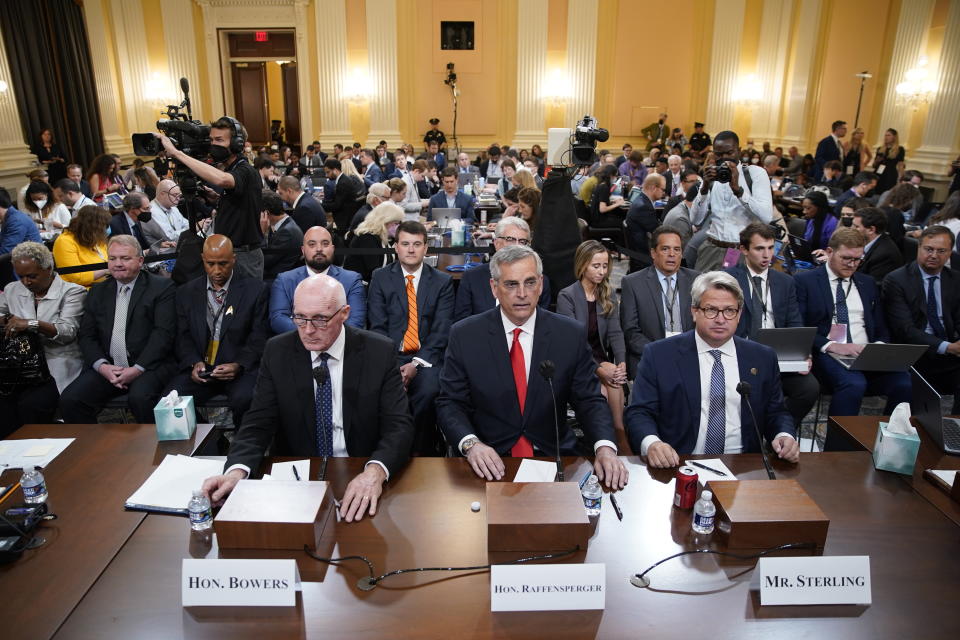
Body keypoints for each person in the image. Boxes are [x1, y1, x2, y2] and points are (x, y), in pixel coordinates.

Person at [201, 274, 415, 522]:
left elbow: (399, 426)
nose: (309, 330)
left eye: (320, 319)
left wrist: (375, 472)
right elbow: (257, 424)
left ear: (344, 313)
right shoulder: (277, 351)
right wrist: (236, 471)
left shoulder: (379, 351)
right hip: (298, 477)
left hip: (362, 471)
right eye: (300, 318)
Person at [437, 245, 628, 488]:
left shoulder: (568, 334)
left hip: (553, 456)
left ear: (540, 285)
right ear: (494, 288)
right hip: (488, 459)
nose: (522, 293)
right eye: (511, 284)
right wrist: (471, 444)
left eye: (529, 283)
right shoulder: (465, 335)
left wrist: (605, 448)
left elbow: (589, 400)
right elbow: (450, 403)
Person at [624, 271, 799, 466]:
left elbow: (776, 412)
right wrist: (652, 444)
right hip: (679, 462)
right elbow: (639, 413)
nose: (721, 319)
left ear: (739, 314)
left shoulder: (762, 357)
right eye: (711, 310)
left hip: (744, 465)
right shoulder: (659, 355)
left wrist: (784, 435)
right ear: (694, 311)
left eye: (729, 311)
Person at [59, 235, 177, 424]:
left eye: (125, 258)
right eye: (112, 258)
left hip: (148, 366)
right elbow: (87, 336)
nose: (118, 264)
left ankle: (155, 451)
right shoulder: (98, 291)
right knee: (71, 399)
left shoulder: (162, 288)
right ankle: (94, 451)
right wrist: (102, 366)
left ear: (140, 261)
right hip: (109, 368)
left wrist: (137, 369)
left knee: (140, 399)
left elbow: (163, 334)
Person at [795, 227, 911, 417]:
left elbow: (881, 327)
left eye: (857, 259)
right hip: (828, 352)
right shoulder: (805, 281)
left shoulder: (867, 283)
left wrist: (880, 348)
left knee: (904, 382)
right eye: (846, 258)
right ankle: (840, 445)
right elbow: (798, 326)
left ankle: (890, 437)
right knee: (854, 384)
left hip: (866, 351)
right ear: (830, 252)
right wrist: (831, 346)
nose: (852, 265)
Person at [368, 221, 454, 455]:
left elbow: (441, 331)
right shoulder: (380, 277)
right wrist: (392, 365)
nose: (411, 249)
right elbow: (377, 327)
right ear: (396, 247)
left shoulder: (442, 281)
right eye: (405, 244)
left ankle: (419, 452)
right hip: (389, 357)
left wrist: (416, 363)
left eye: (417, 244)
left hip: (427, 358)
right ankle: (392, 449)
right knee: (383, 392)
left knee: (427, 392)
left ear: (426, 248)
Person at [165, 235, 268, 426]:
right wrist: (193, 362)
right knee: (171, 402)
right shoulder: (186, 292)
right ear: (202, 259)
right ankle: (211, 442)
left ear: (233, 260)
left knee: (247, 399)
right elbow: (182, 336)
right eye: (210, 264)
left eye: (223, 264)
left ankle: (241, 449)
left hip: (240, 369)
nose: (217, 270)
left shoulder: (256, 290)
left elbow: (259, 336)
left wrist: (238, 364)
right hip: (202, 368)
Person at [724, 223, 819, 428]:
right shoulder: (728, 280)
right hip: (741, 353)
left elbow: (794, 321)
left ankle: (779, 431)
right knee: (752, 390)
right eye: (760, 249)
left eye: (770, 248)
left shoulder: (785, 281)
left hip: (779, 355)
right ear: (744, 250)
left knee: (809, 388)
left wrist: (804, 353)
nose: (767, 255)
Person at [156, 117, 264, 279]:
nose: (214, 145)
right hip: (228, 252)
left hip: (243, 256)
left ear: (237, 144)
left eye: (219, 140)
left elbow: (223, 179)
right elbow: (240, 202)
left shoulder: (245, 169)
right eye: (212, 140)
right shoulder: (233, 168)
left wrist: (177, 153)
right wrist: (217, 199)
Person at [0, 242, 85, 437]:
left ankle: (41, 450)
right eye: (20, 276)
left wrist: (31, 324)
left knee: (32, 405)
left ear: (48, 269)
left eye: (32, 276)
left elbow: (67, 332)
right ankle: (11, 454)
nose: (26, 282)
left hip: (56, 361)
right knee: (4, 403)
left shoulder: (72, 292)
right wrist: (7, 320)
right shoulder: (13, 289)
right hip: (19, 364)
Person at [882, 226, 960, 413]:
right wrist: (948, 347)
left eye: (941, 251)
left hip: (950, 354)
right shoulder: (897, 280)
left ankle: (956, 431)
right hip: (914, 354)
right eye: (928, 249)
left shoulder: (955, 280)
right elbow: (905, 329)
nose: (934, 255)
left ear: (950, 253)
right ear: (918, 247)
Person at [557, 241, 628, 438]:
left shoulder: (607, 293)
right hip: (578, 361)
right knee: (603, 393)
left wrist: (621, 363)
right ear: (582, 265)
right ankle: (607, 438)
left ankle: (619, 434)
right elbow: (573, 344)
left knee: (615, 378)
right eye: (596, 266)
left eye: (605, 266)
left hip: (600, 358)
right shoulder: (567, 296)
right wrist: (598, 370)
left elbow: (615, 332)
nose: (602, 271)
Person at [620, 226, 698, 377]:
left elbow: (704, 323)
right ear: (653, 253)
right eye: (665, 249)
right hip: (651, 356)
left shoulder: (696, 280)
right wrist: (661, 353)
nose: (672, 255)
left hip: (690, 355)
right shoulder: (633, 283)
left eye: (677, 250)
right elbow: (630, 331)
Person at [691, 131, 773, 271]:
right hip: (711, 247)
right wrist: (704, 187)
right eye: (719, 154)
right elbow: (695, 220)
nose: (724, 158)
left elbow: (766, 217)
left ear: (739, 151)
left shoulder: (755, 174)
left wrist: (738, 191)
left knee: (737, 292)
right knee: (699, 291)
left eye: (729, 153)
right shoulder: (712, 176)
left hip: (739, 251)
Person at [271, 226, 366, 333]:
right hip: (297, 345)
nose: (319, 249)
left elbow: (355, 321)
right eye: (312, 244)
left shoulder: (352, 280)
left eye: (325, 244)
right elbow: (278, 320)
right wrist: (309, 334)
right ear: (303, 250)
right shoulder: (284, 280)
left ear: (333, 249)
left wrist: (326, 337)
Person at [454, 218, 551, 322]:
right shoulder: (472, 278)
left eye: (522, 241)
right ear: (496, 243)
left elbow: (541, 324)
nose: (517, 246)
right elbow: (461, 324)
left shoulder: (540, 281)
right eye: (510, 239)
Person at [51, 205, 110, 288]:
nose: (106, 229)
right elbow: (74, 277)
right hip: (80, 291)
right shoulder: (65, 241)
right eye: (104, 226)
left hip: (104, 286)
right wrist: (105, 271)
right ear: (91, 227)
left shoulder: (97, 239)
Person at [345, 202, 403, 284]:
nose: (398, 227)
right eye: (396, 223)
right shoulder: (367, 238)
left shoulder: (383, 237)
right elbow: (374, 271)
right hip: (359, 286)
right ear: (384, 222)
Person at [260, 190, 304, 280]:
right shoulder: (286, 224)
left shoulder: (287, 233)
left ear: (266, 213)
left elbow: (263, 261)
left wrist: (262, 234)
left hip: (276, 280)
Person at [852, 207, 903, 284]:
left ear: (871, 230)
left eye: (856, 227)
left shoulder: (885, 255)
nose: (851, 229)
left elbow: (870, 285)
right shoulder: (861, 242)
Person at [625, 173, 665, 269]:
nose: (664, 193)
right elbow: (657, 232)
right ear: (653, 188)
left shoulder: (641, 200)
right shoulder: (644, 206)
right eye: (663, 189)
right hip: (642, 256)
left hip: (637, 252)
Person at [322, 158, 365, 235]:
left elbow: (337, 205)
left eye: (328, 172)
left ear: (335, 170)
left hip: (344, 221)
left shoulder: (343, 182)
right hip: (346, 216)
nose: (326, 175)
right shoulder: (343, 179)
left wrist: (320, 205)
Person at [148, 179, 189, 247]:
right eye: (175, 195)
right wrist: (192, 229)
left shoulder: (173, 208)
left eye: (179, 195)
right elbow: (169, 238)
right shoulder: (152, 211)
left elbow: (186, 224)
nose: (178, 198)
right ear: (162, 194)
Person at [662, 174, 699, 243]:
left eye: (696, 181)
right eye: (692, 181)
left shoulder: (683, 207)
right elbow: (685, 249)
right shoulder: (680, 219)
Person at [801, 191, 838, 255]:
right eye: (803, 207)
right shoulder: (811, 219)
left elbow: (833, 249)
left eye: (808, 208)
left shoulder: (832, 223)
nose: (804, 212)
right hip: (809, 255)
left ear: (819, 207)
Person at [872, 128, 905, 195]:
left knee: (887, 193)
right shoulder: (880, 149)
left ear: (894, 137)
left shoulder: (899, 149)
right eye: (885, 135)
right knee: (875, 192)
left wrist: (901, 178)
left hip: (890, 174)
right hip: (878, 174)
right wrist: (877, 161)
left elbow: (900, 165)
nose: (886, 137)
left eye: (888, 135)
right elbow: (874, 165)